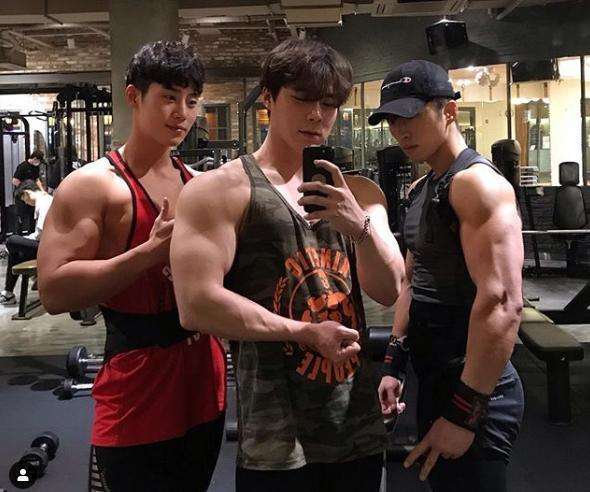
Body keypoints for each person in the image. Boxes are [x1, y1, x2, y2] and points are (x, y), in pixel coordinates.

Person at [171, 38, 405, 492]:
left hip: (354, 427)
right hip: (276, 438)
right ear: (268, 97)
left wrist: (357, 226)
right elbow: (196, 304)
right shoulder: (219, 191)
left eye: (329, 104)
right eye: (302, 99)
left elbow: (389, 288)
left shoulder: (361, 194)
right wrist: (302, 333)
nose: (317, 115)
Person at [37, 41, 226, 492]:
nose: (182, 112)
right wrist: (147, 253)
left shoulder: (198, 185)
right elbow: (54, 290)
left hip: (205, 378)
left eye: (191, 101)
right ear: (134, 96)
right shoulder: (93, 187)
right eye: (169, 97)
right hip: (137, 384)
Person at [371, 60, 524, 492]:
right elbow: (411, 282)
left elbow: (502, 304)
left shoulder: (477, 185)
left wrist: (464, 414)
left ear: (449, 111)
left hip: (477, 388)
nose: (401, 131)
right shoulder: (422, 189)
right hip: (436, 379)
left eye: (411, 115)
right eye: (392, 120)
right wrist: (393, 365)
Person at [0, 180, 53, 305]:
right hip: (46, 244)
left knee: (12, 241)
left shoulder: (44, 202)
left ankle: (9, 292)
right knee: (15, 252)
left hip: (48, 246)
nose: (27, 203)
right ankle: (8, 293)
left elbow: (41, 232)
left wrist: (23, 240)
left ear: (27, 193)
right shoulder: (46, 200)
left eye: (25, 200)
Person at [12, 150, 45, 234]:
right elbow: (15, 180)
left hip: (32, 195)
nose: (38, 163)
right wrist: (24, 189)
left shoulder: (36, 167)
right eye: (38, 161)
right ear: (35, 158)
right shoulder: (22, 167)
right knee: (20, 216)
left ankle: (32, 232)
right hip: (22, 195)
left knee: (32, 215)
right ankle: (18, 234)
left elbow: (37, 179)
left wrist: (42, 190)